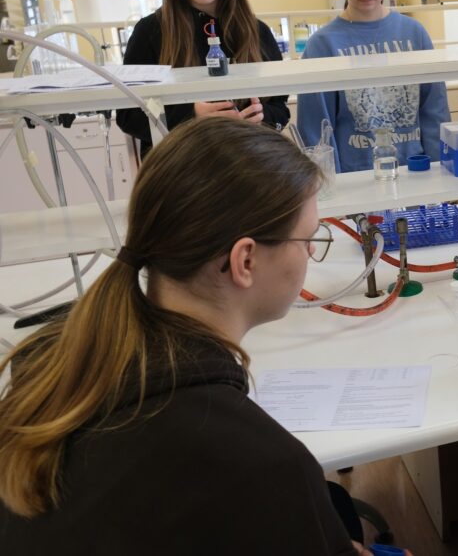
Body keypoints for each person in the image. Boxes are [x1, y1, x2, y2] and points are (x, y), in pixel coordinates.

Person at [0, 118, 387, 556]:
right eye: (307, 238)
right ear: (245, 261)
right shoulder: (264, 465)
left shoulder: (50, 364)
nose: (311, 252)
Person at [116, 0, 289, 158]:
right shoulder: (150, 32)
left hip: (247, 167)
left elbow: (280, 108)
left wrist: (261, 117)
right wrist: (191, 116)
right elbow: (128, 116)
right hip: (181, 172)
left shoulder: (257, 32)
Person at [297, 0, 449, 173]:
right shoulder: (322, 45)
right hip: (355, 177)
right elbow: (316, 131)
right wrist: (331, 187)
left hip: (414, 171)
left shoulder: (414, 33)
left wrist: (439, 170)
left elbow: (435, 112)